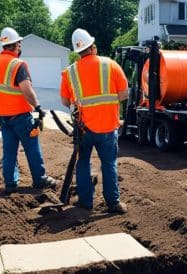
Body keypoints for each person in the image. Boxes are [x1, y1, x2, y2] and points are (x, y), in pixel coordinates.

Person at [60, 28, 130, 214]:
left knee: (83, 162)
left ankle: (85, 202)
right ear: (94, 48)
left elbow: (65, 101)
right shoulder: (111, 65)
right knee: (109, 164)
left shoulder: (69, 72)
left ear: (77, 52)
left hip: (83, 128)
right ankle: (113, 203)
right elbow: (123, 95)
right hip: (108, 127)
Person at [0, 27, 57, 194]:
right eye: (19, 43)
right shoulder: (18, 64)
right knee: (32, 146)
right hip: (19, 115)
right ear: (16, 44)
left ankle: (10, 183)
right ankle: (40, 179)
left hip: (0, 115)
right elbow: (26, 90)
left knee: (9, 149)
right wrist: (38, 107)